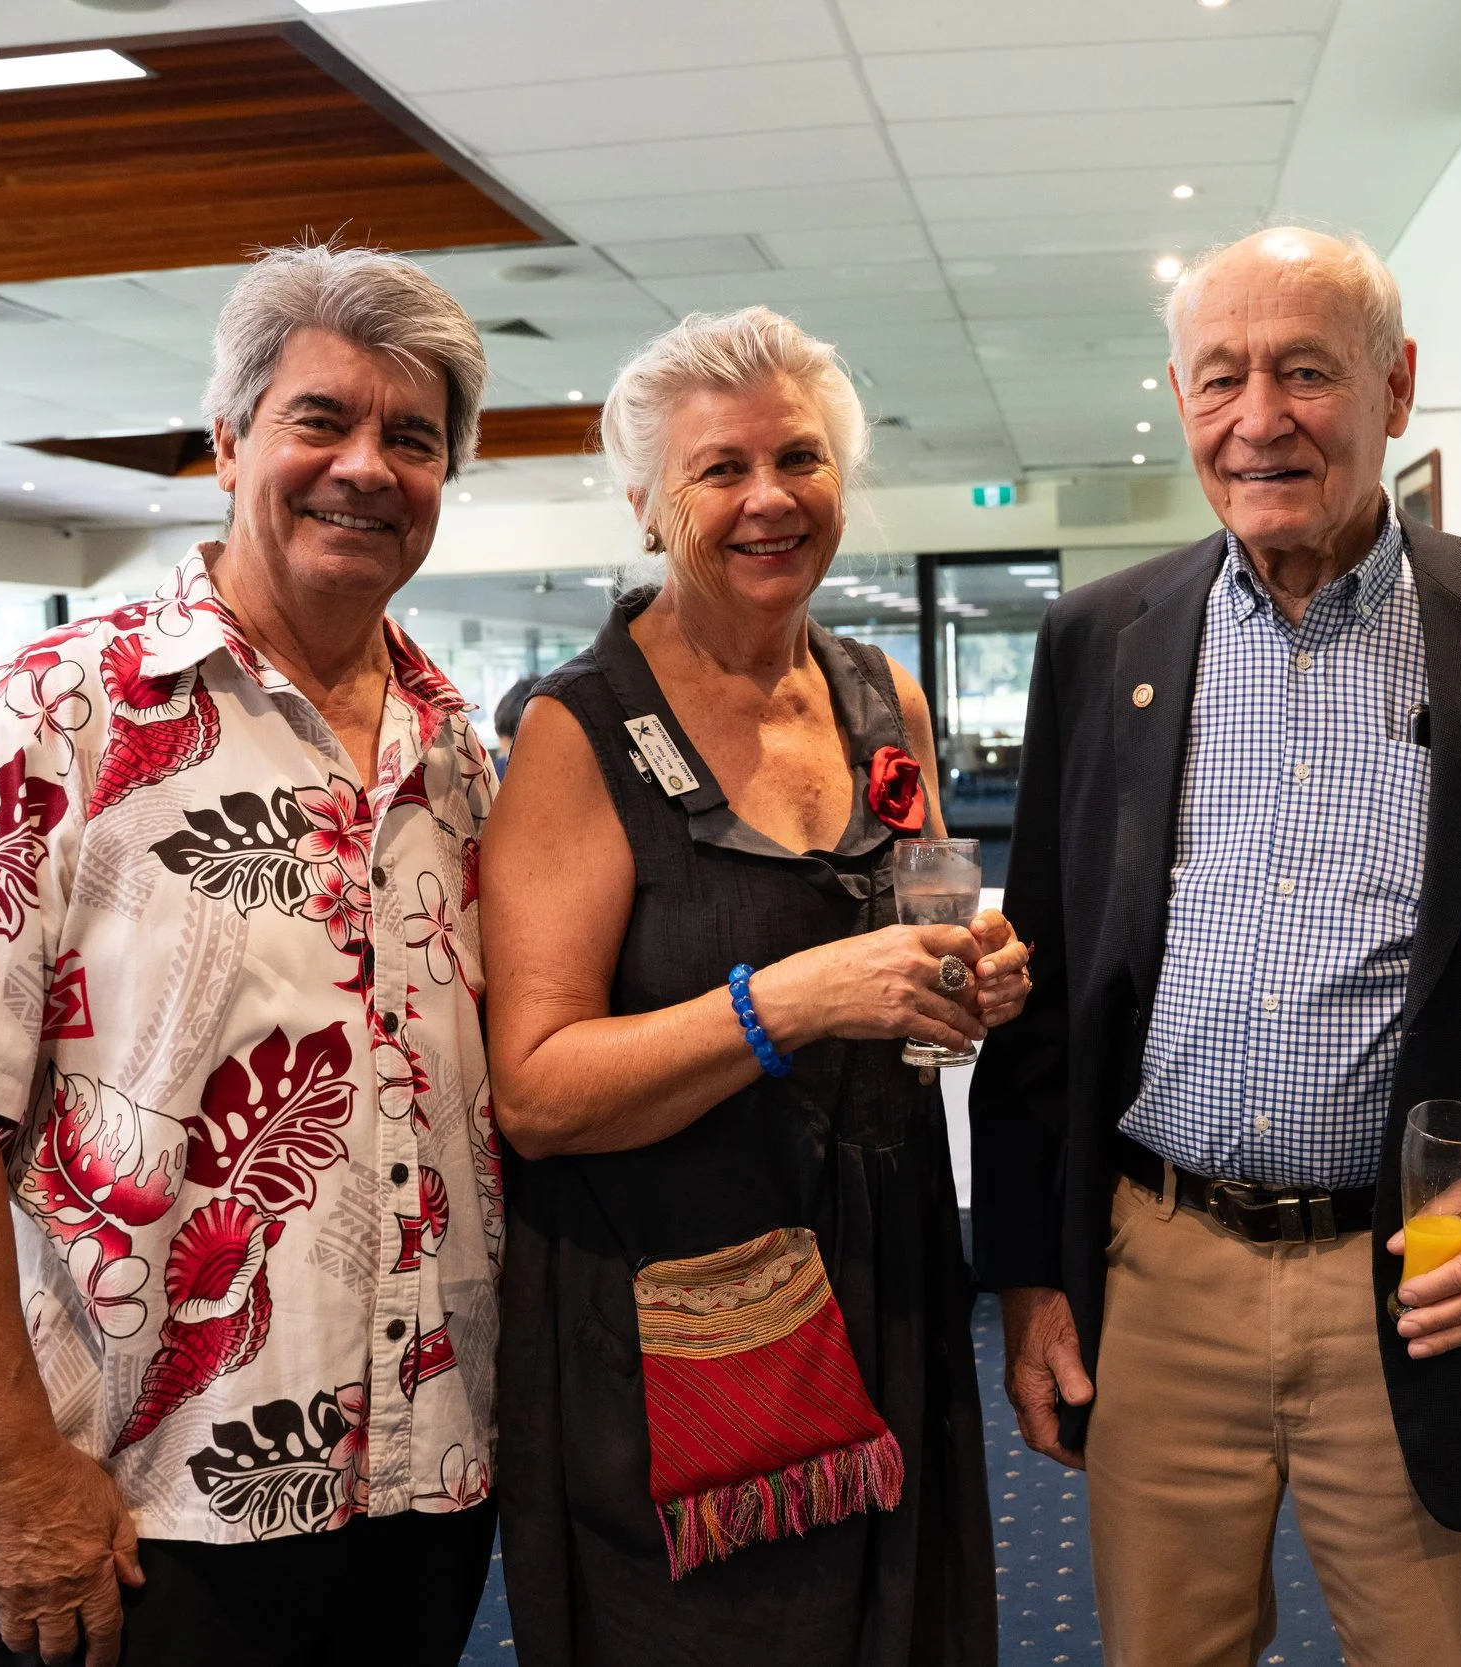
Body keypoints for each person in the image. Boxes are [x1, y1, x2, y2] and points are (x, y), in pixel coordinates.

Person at [969, 227, 1461, 1667]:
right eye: (1219, 377)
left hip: (1425, 1281)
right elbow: (1045, 1001)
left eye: (1306, 371)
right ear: (1181, 400)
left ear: (1395, 386)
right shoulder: (1099, 643)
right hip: (1161, 1276)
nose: (1260, 418)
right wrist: (1033, 1278)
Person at [0, 245, 507, 1667]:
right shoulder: (60, 712)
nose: (366, 467)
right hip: (147, 1498)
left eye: (413, 438)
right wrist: (0, 1460)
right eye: (321, 420)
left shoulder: (456, 751)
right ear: (230, 442)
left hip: (426, 1476)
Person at [482, 306, 1019, 1667]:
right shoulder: (576, 732)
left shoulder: (883, 697)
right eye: (719, 468)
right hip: (684, 1313)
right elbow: (535, 1094)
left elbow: (917, 952)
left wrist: (970, 982)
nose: (768, 498)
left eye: (799, 458)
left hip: (890, 1272)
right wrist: (793, 1000)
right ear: (646, 504)